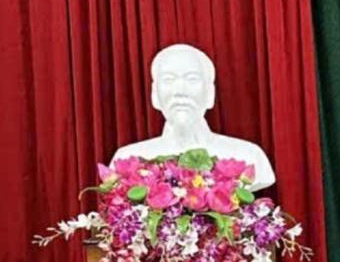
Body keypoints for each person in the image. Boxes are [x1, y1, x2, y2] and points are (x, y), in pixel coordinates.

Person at [111, 42, 274, 189]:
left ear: (210, 93)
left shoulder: (248, 156)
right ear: (154, 94)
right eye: (168, 80)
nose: (179, 91)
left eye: (192, 79)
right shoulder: (127, 160)